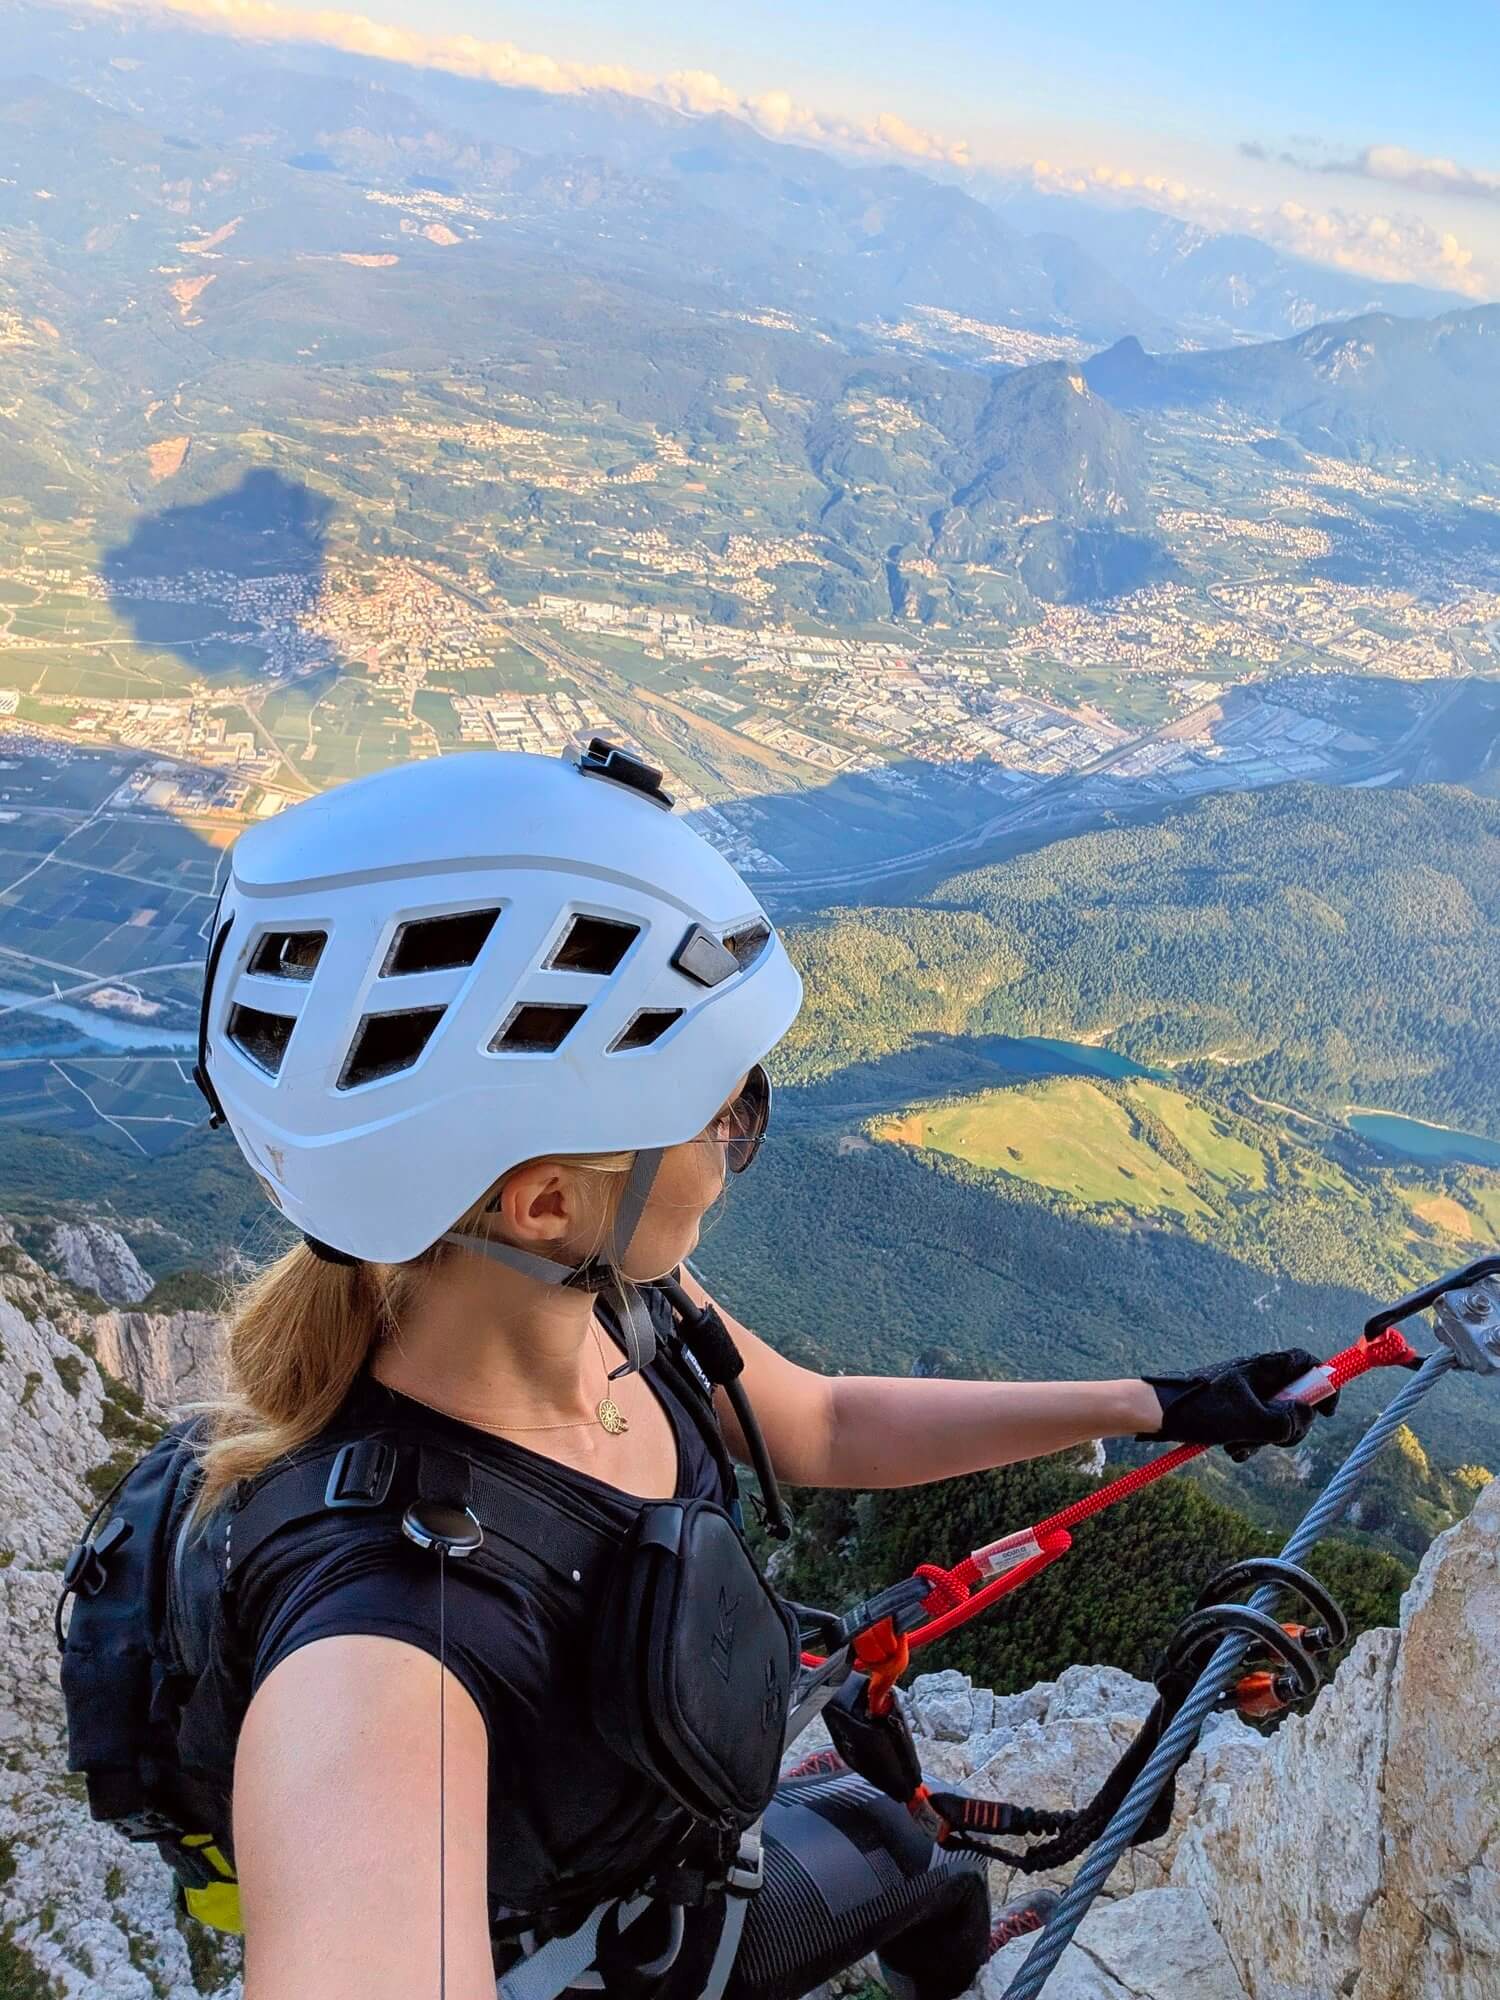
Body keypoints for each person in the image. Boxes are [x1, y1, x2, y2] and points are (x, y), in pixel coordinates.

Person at [184, 741, 1331, 2000]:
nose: (741, 1134)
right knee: (913, 1859)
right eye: (720, 1110)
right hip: (616, 1960)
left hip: (679, 1870)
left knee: (927, 1862)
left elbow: (822, 1425)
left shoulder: (612, 1297)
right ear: (546, 1199)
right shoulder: (382, 1650)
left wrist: (1161, 1403)